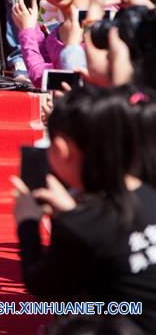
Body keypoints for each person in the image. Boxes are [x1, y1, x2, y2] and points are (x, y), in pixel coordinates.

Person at [11, 87, 156, 332]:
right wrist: (70, 214)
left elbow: (46, 286)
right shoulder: (147, 191)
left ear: (61, 149)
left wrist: (27, 222)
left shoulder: (84, 224)